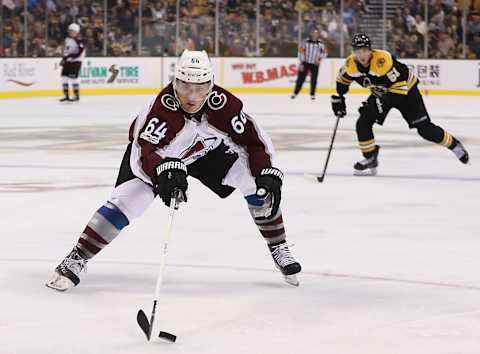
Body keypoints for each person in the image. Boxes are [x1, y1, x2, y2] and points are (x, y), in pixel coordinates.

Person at [46, 50, 302, 291]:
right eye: (184, 87)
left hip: (204, 152)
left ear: (211, 86)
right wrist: (163, 173)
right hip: (159, 158)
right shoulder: (160, 110)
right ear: (174, 83)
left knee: (256, 181)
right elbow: (144, 152)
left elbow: (254, 141)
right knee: (129, 201)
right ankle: (76, 258)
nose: (191, 97)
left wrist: (266, 171)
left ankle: (278, 246)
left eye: (200, 88)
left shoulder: (224, 105)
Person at [331, 33, 469, 175]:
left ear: (370, 50)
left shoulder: (382, 61)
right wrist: (339, 98)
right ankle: (370, 157)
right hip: (382, 93)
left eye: (365, 50)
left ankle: (454, 145)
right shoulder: (351, 65)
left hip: (406, 92)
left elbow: (399, 88)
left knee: (425, 129)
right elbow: (342, 81)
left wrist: (381, 101)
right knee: (363, 121)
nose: (362, 55)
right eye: (358, 51)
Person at [291, 28, 327, 101]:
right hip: (305, 63)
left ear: (318, 34)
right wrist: (301, 63)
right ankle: (295, 93)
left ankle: (312, 94)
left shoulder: (320, 43)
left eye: (316, 33)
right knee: (300, 79)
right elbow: (300, 52)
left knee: (314, 79)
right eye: (313, 33)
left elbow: (325, 53)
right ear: (311, 34)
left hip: (315, 64)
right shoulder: (305, 41)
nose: (315, 34)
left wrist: (319, 59)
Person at [59, 23, 85, 102]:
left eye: (71, 31)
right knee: (64, 77)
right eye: (69, 31)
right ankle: (66, 95)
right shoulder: (67, 39)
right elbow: (66, 50)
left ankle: (76, 95)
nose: (70, 32)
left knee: (73, 78)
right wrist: (64, 58)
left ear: (76, 32)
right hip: (68, 61)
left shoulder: (79, 40)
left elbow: (80, 52)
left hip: (76, 61)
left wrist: (70, 57)